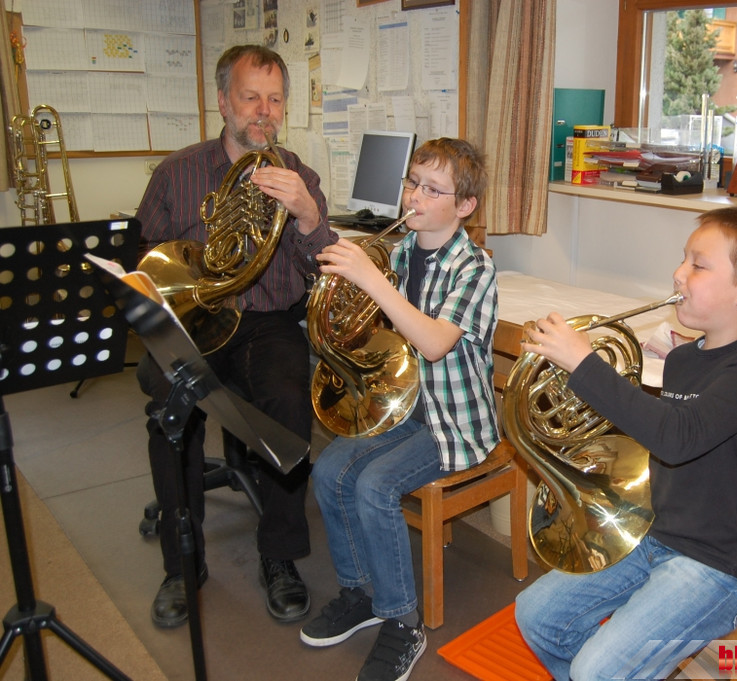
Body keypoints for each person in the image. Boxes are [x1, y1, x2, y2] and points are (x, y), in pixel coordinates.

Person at [514, 203, 737, 681]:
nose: (678, 273)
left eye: (699, 265)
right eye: (683, 258)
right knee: (536, 616)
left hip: (720, 564)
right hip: (655, 533)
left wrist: (585, 365)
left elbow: (676, 438)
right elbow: (655, 430)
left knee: (596, 671)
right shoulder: (684, 358)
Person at [136, 44, 336, 628]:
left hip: (268, 321)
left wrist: (307, 215)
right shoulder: (177, 172)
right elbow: (147, 264)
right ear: (223, 101)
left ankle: (279, 555)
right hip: (195, 319)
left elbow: (323, 268)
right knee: (169, 411)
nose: (263, 111)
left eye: (274, 99)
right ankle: (183, 564)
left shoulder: (299, 175)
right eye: (251, 97)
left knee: (288, 401)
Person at [299, 138, 498, 681]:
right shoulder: (402, 252)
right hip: (404, 405)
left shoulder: (475, 269)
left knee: (374, 486)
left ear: (465, 206)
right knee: (329, 471)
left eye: (433, 190)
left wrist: (370, 280)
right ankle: (360, 593)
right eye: (413, 183)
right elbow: (380, 332)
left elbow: (433, 343)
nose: (414, 197)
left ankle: (403, 621)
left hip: (454, 423)